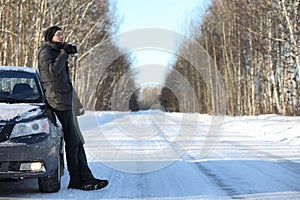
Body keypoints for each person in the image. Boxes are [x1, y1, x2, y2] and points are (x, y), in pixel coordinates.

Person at [37, 26, 109, 191]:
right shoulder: (45, 52)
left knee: (76, 141)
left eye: (63, 34)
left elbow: (64, 80)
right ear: (50, 36)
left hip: (65, 100)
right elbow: (52, 72)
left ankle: (83, 178)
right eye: (58, 34)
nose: (62, 36)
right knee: (73, 141)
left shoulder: (55, 52)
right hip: (58, 102)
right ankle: (79, 179)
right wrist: (64, 54)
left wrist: (76, 102)